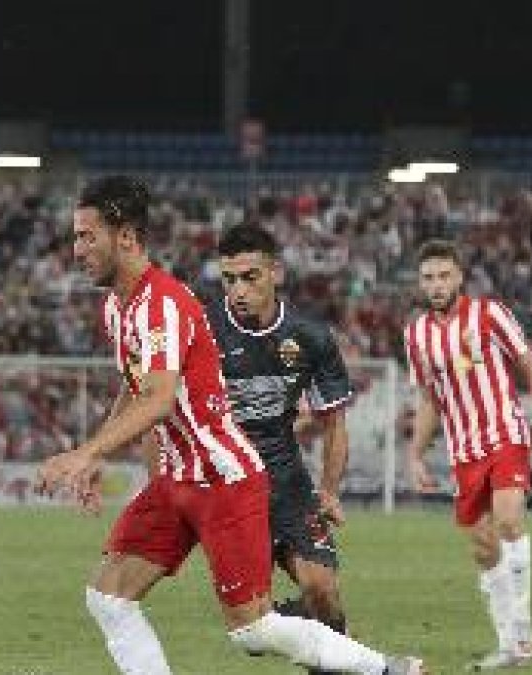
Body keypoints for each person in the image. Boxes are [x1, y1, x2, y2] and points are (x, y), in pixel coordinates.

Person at [37, 175, 426, 675]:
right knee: (108, 598)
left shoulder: (165, 304)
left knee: (253, 629)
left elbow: (156, 401)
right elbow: (136, 389)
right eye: (76, 237)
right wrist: (98, 457)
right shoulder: (118, 308)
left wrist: (85, 453)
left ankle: (389, 670)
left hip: (223, 477)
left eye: (88, 236)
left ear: (127, 237)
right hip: (179, 478)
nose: (77, 249)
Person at [402, 240, 532, 671]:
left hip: (505, 431)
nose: (436, 285)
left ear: (459, 277)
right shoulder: (415, 335)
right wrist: (415, 454)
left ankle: (523, 629)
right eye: (428, 277)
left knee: (509, 520)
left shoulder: (488, 314)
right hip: (463, 448)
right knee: (484, 548)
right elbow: (429, 399)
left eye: (443, 276)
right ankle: (510, 643)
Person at [206, 224, 354, 675]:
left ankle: (336, 662)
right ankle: (290, 626)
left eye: (250, 276)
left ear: (276, 273)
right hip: (228, 486)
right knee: (254, 635)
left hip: (286, 480)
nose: (238, 290)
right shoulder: (204, 331)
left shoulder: (309, 336)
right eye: (229, 279)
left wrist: (329, 491)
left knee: (322, 589)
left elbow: (333, 421)